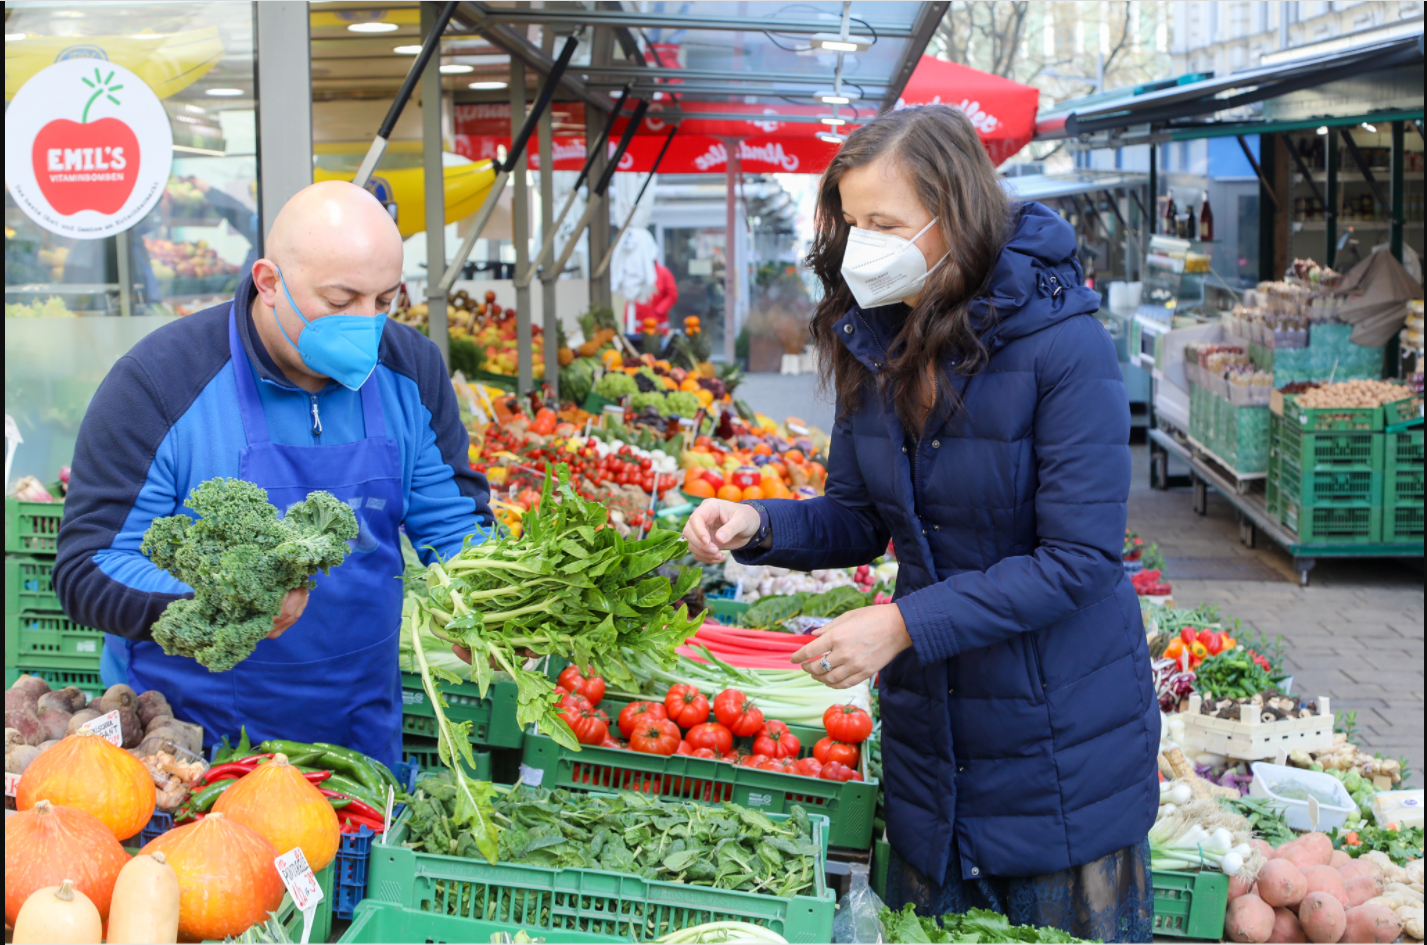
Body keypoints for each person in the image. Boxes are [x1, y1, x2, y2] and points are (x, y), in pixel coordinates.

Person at [683, 105, 1158, 942]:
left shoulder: (1065, 348)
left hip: (1058, 749)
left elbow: (1078, 560)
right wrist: (756, 521)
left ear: (956, 215)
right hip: (931, 747)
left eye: (885, 223)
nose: (860, 244)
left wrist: (903, 623)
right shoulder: (876, 342)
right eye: (851, 222)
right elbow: (858, 517)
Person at [54, 180, 493, 768]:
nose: (366, 323)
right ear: (268, 282)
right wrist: (225, 600)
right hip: (188, 747)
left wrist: (488, 603)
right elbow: (90, 568)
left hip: (359, 739)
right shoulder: (158, 381)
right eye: (340, 301)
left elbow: (454, 522)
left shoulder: (411, 367)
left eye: (384, 301)